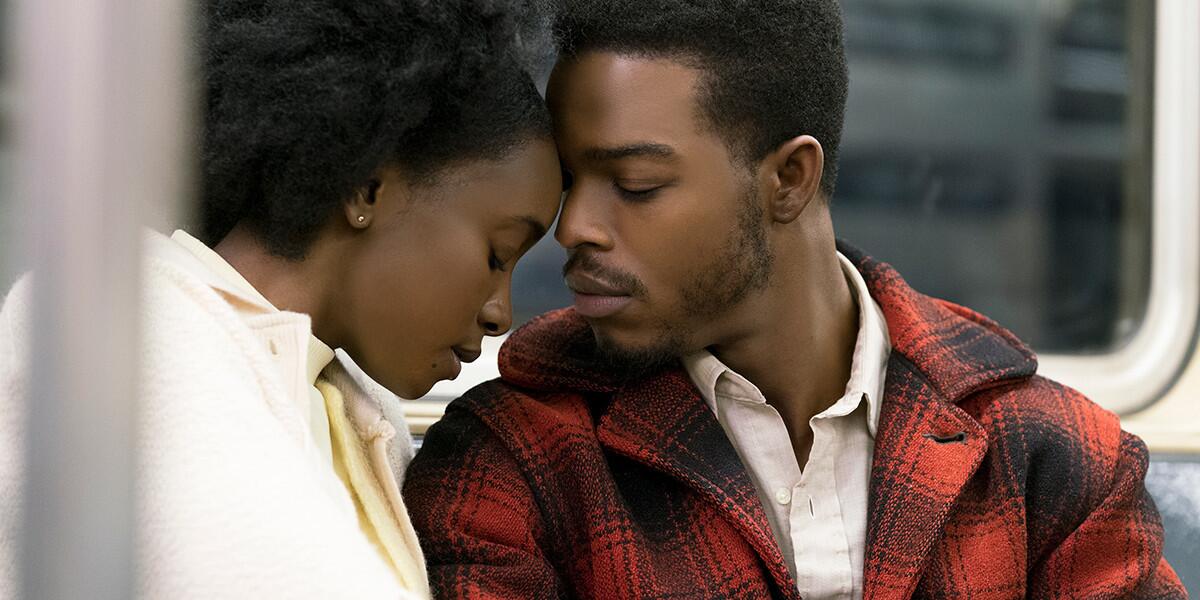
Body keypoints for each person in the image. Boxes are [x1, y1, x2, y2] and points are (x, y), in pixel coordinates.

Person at [402, 1, 1186, 598]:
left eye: (635, 185)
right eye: (571, 184)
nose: (574, 228)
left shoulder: (1049, 455)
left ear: (789, 180)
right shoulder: (516, 456)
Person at [0, 0, 560, 597]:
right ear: (366, 188)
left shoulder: (354, 411)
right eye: (498, 254)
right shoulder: (118, 327)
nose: (500, 312)